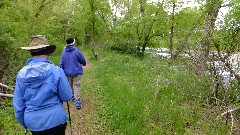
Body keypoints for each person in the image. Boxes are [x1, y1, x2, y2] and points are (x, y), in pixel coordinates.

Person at [13, 35, 73, 135]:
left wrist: (24, 122)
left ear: (31, 52)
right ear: (47, 52)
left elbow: (19, 106)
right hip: (56, 119)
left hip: (33, 123)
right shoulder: (56, 70)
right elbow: (66, 96)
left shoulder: (21, 74)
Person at [60, 37, 86, 109]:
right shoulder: (77, 51)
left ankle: (72, 97)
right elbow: (83, 62)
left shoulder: (64, 52)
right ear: (73, 43)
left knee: (70, 84)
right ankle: (77, 102)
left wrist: (61, 71)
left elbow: (61, 63)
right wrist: (83, 64)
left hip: (67, 72)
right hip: (77, 72)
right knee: (76, 86)